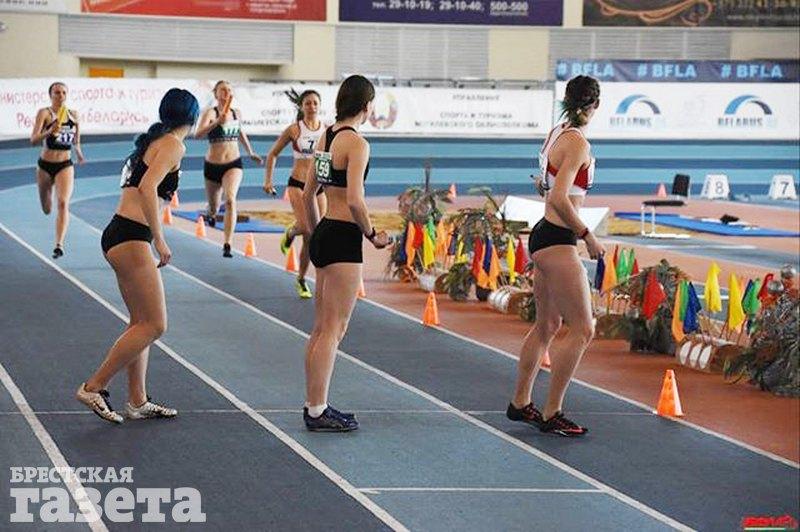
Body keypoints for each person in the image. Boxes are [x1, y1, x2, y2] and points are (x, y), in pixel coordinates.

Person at [75, 88, 200, 423]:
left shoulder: (154, 141)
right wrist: (160, 239)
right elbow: (147, 188)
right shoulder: (173, 144)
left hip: (121, 232)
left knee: (140, 323)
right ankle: (94, 386)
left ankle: (137, 400)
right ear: (193, 115)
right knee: (155, 324)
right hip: (131, 236)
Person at [507, 75, 605, 437]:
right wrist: (587, 235)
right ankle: (552, 411)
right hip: (559, 238)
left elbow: (548, 186)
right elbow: (560, 198)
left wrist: (547, 189)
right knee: (583, 328)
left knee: (547, 325)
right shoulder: (577, 142)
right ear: (595, 105)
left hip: (544, 234)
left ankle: (520, 403)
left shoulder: (557, 133)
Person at [300, 75, 391, 431]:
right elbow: (355, 200)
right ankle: (317, 410)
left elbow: (308, 193)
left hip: (324, 231)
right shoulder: (357, 143)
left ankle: (314, 404)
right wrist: (372, 235)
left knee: (321, 328)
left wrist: (313, 233)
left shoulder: (326, 136)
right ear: (367, 106)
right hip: (343, 238)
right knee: (333, 330)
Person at [263, 89, 327, 298]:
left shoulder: (326, 130)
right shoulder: (294, 130)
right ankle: (291, 233)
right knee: (306, 228)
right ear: (301, 106)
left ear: (320, 105)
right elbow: (272, 154)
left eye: (315, 103)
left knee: (315, 235)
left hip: (318, 187)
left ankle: (301, 279)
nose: (312, 107)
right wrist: (268, 180)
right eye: (307, 103)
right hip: (297, 184)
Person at [194, 80, 262, 257]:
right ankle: (211, 213)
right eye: (222, 90)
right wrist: (217, 122)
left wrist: (250, 152)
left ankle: (227, 243)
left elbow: (240, 132)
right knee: (214, 207)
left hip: (233, 163)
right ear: (215, 93)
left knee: (230, 199)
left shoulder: (236, 113)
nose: (226, 93)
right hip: (212, 166)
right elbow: (198, 134)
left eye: (229, 90)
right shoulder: (210, 112)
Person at [30, 82, 85, 259]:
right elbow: (33, 139)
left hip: (65, 164)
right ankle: (47, 196)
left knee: (62, 203)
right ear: (50, 95)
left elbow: (76, 139)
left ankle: (59, 244)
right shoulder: (45, 113)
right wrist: (49, 131)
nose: (60, 96)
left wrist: (78, 152)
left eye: (63, 93)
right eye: (57, 93)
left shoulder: (73, 115)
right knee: (47, 208)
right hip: (45, 166)